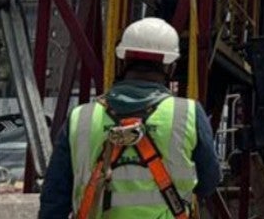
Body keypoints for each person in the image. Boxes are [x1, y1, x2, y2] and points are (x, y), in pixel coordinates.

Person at [40, 18, 220, 219]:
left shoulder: (80, 118)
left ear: (123, 61)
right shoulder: (188, 114)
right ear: (171, 67)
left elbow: (55, 198)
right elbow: (209, 181)